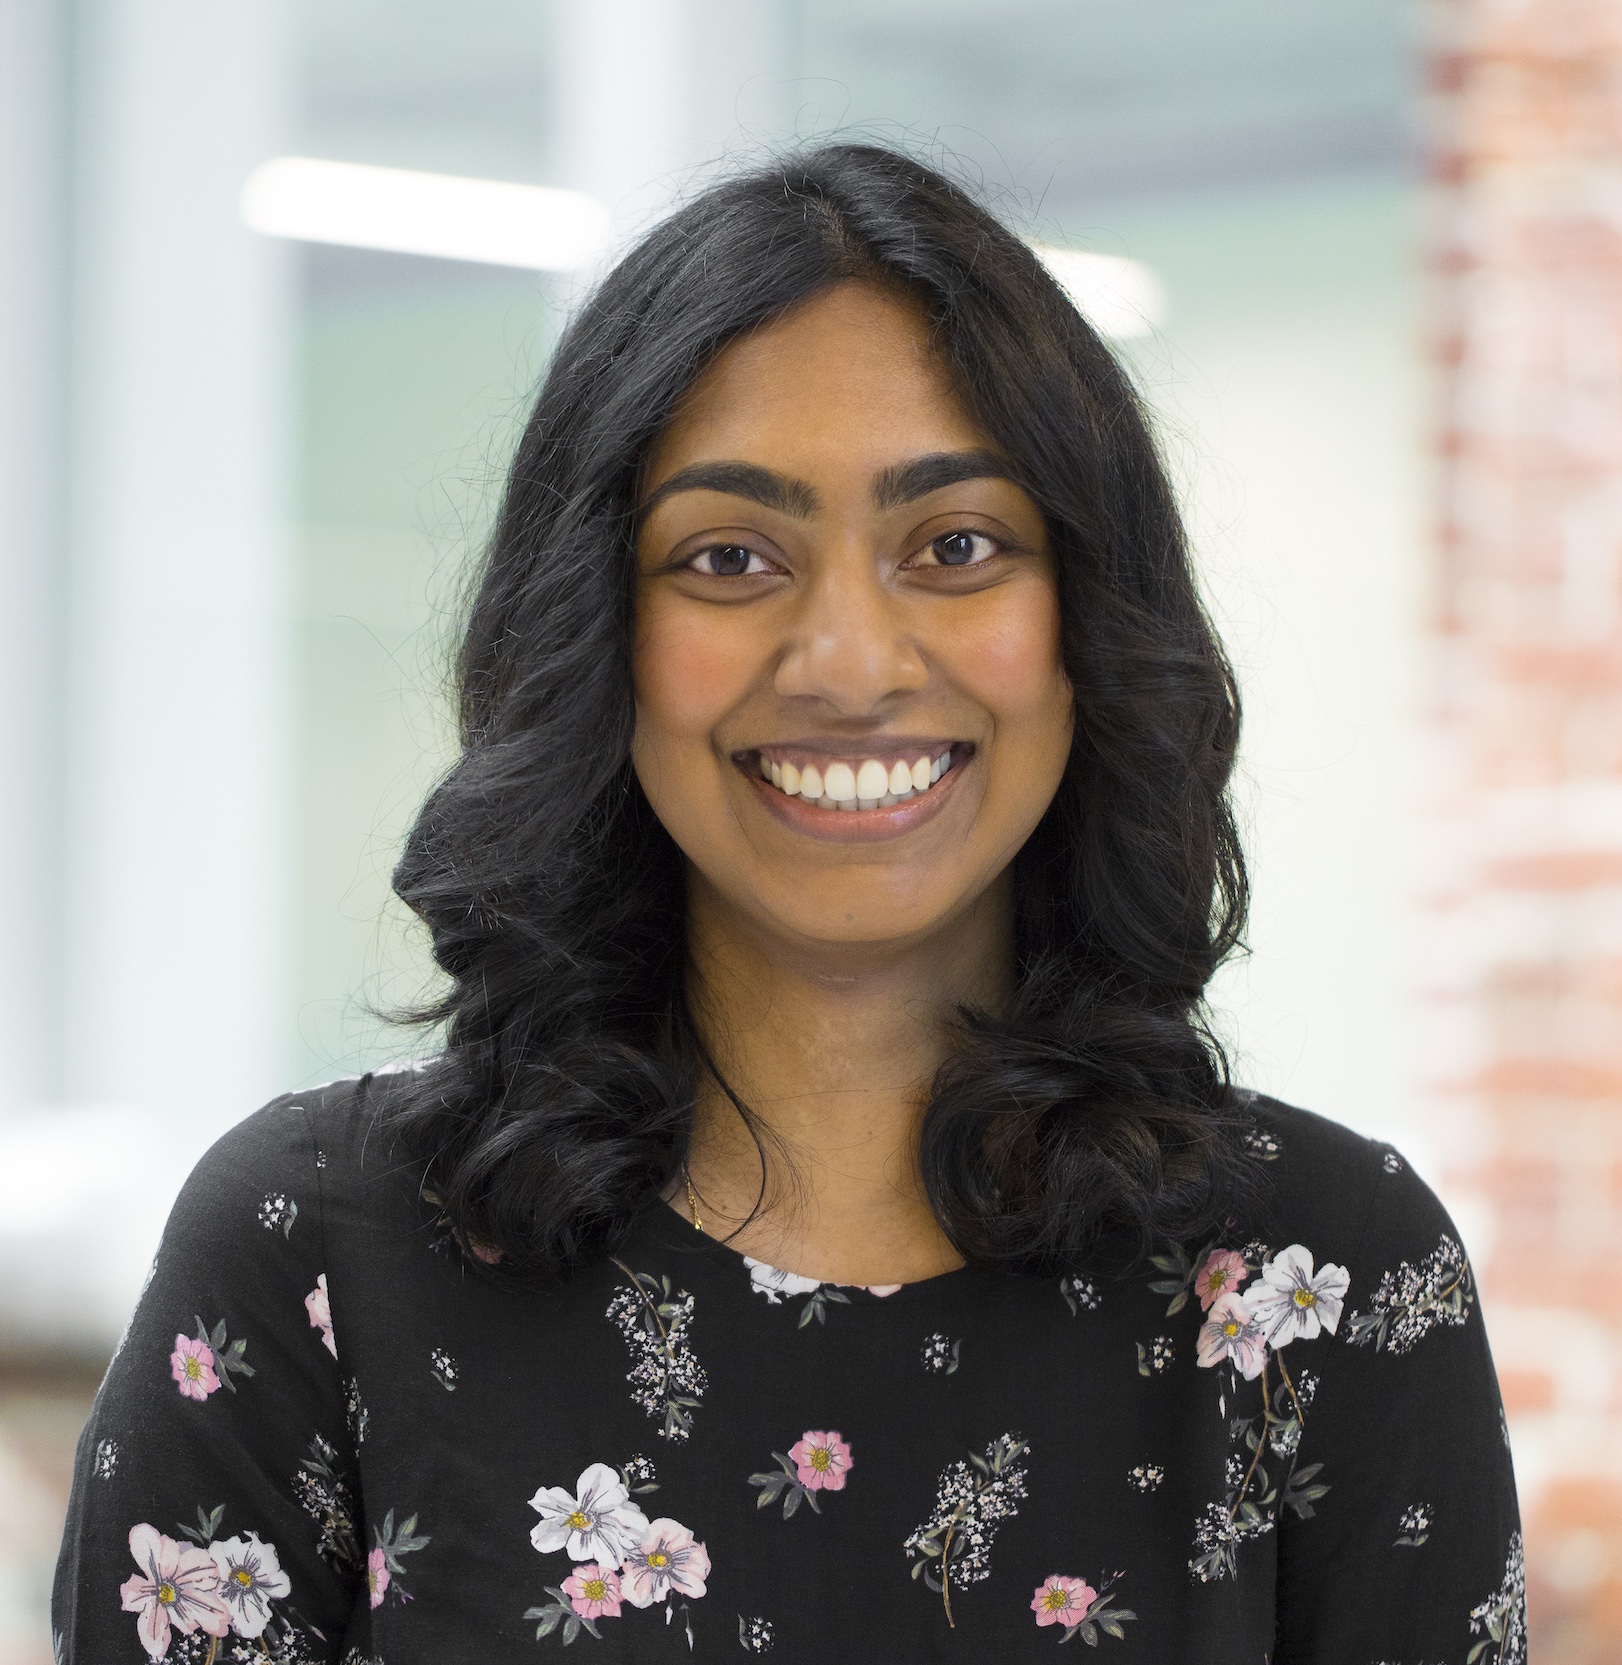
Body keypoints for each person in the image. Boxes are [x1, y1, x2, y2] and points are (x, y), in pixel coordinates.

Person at [53, 144, 1523, 1664]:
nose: (846, 657)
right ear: (596, 634)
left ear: (1084, 618)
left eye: (955, 546)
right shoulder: (317, 1254)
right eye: (730, 556)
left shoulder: (1323, 1278)